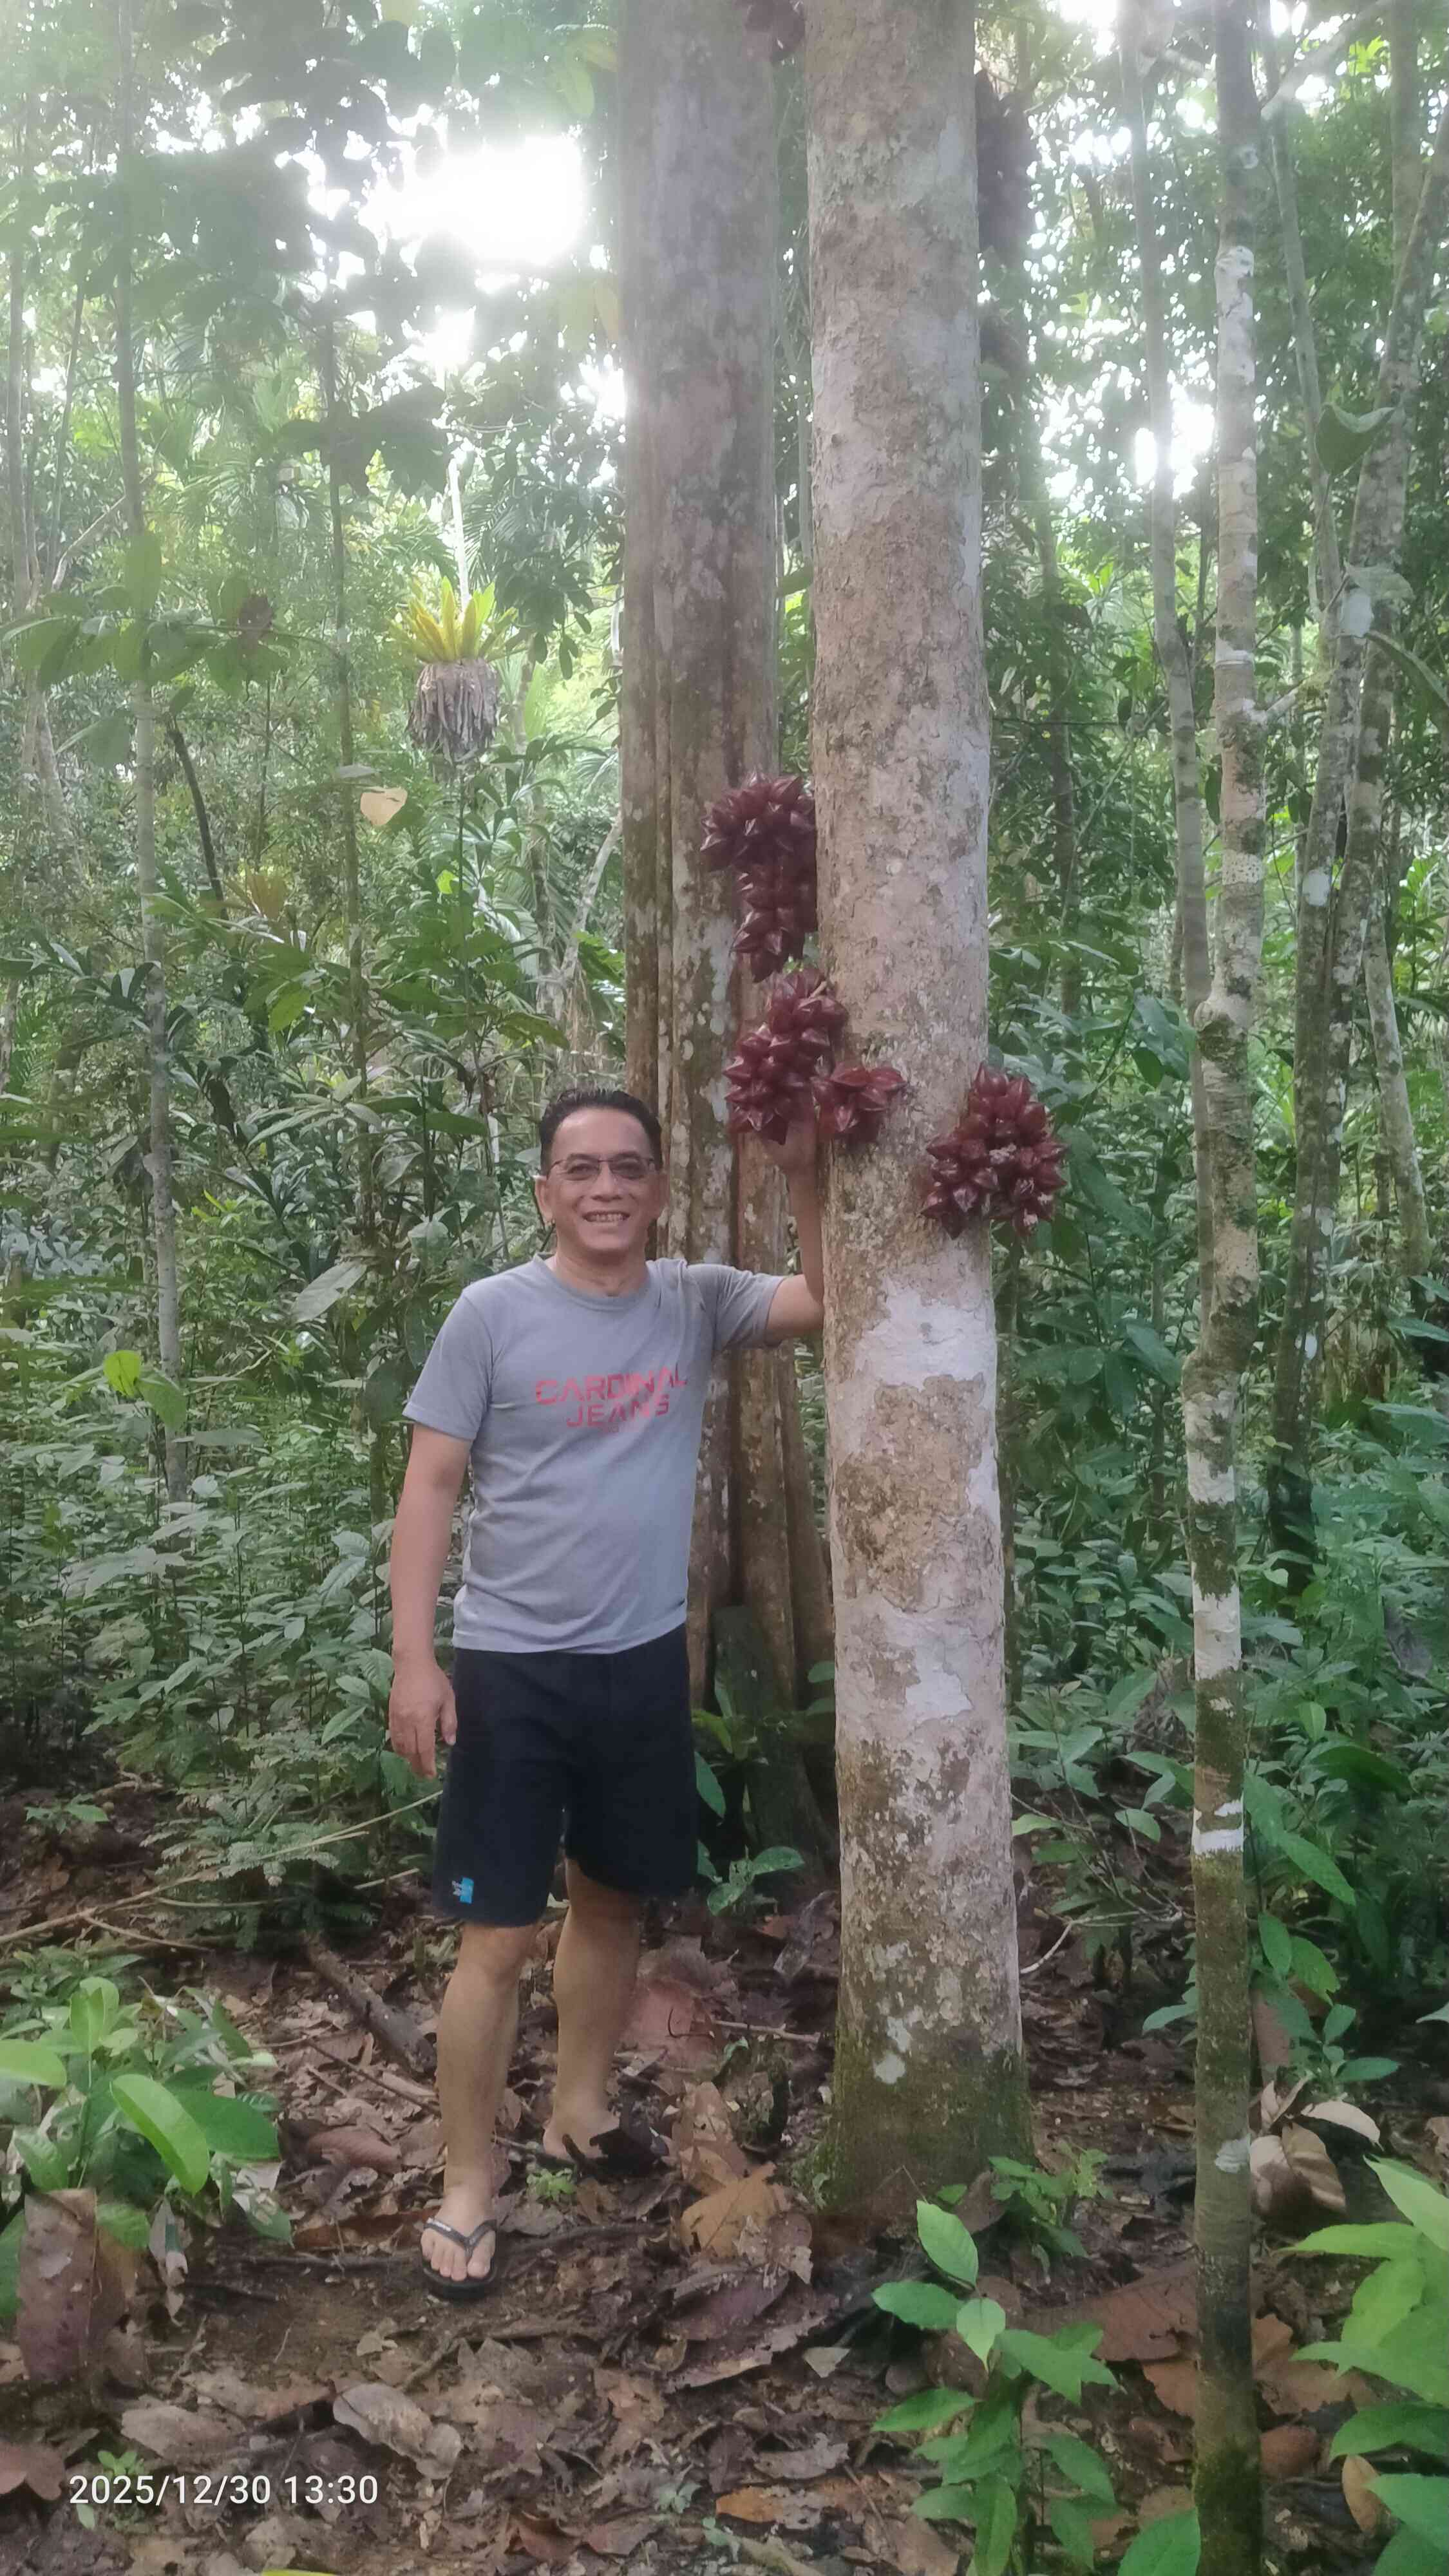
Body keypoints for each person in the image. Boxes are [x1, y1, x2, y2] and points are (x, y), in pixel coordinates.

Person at [387, 1081, 824, 2298]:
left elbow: (825, 1301)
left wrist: (798, 1170)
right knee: (496, 1934)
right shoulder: (491, 1316)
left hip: (640, 1660)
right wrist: (414, 1658)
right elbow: (430, 1488)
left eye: (628, 1168)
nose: (606, 1189)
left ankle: (581, 2106)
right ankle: (467, 2184)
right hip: (512, 1666)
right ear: (545, 1191)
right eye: (580, 1169)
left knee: (616, 1899)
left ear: (656, 1188)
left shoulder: (690, 1303)